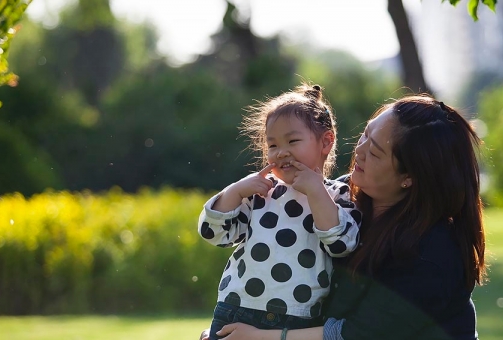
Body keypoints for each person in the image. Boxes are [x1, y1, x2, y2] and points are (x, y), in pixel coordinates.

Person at [203, 94, 487, 340]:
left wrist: (262, 337)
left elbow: (358, 335)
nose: (359, 150)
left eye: (374, 152)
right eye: (365, 134)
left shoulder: (435, 252)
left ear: (409, 177)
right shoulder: (339, 198)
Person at [197, 83, 362, 340]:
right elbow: (214, 233)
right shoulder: (260, 191)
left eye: (293, 141)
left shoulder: (338, 194)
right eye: (272, 145)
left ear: (326, 142)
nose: (281, 152)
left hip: (296, 318)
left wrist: (316, 192)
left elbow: (342, 244)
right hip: (236, 310)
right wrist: (234, 192)